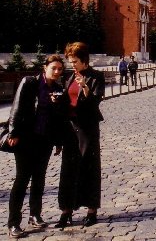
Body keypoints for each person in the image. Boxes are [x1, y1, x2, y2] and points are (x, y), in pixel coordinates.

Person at [6, 55, 67, 239]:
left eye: (59, 69)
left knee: (39, 178)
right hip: (26, 139)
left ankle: (34, 214)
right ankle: (13, 223)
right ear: (45, 67)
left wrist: (58, 141)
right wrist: (13, 132)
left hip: (45, 139)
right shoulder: (30, 82)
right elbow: (17, 107)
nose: (56, 72)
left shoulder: (57, 89)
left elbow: (58, 119)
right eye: (53, 68)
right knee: (22, 179)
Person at [56, 42, 105, 228]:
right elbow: (66, 100)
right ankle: (66, 211)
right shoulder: (68, 77)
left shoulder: (96, 76)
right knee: (68, 169)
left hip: (87, 129)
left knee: (89, 167)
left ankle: (91, 210)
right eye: (70, 61)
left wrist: (85, 87)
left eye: (75, 61)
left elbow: (95, 102)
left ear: (84, 59)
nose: (72, 65)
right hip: (70, 128)